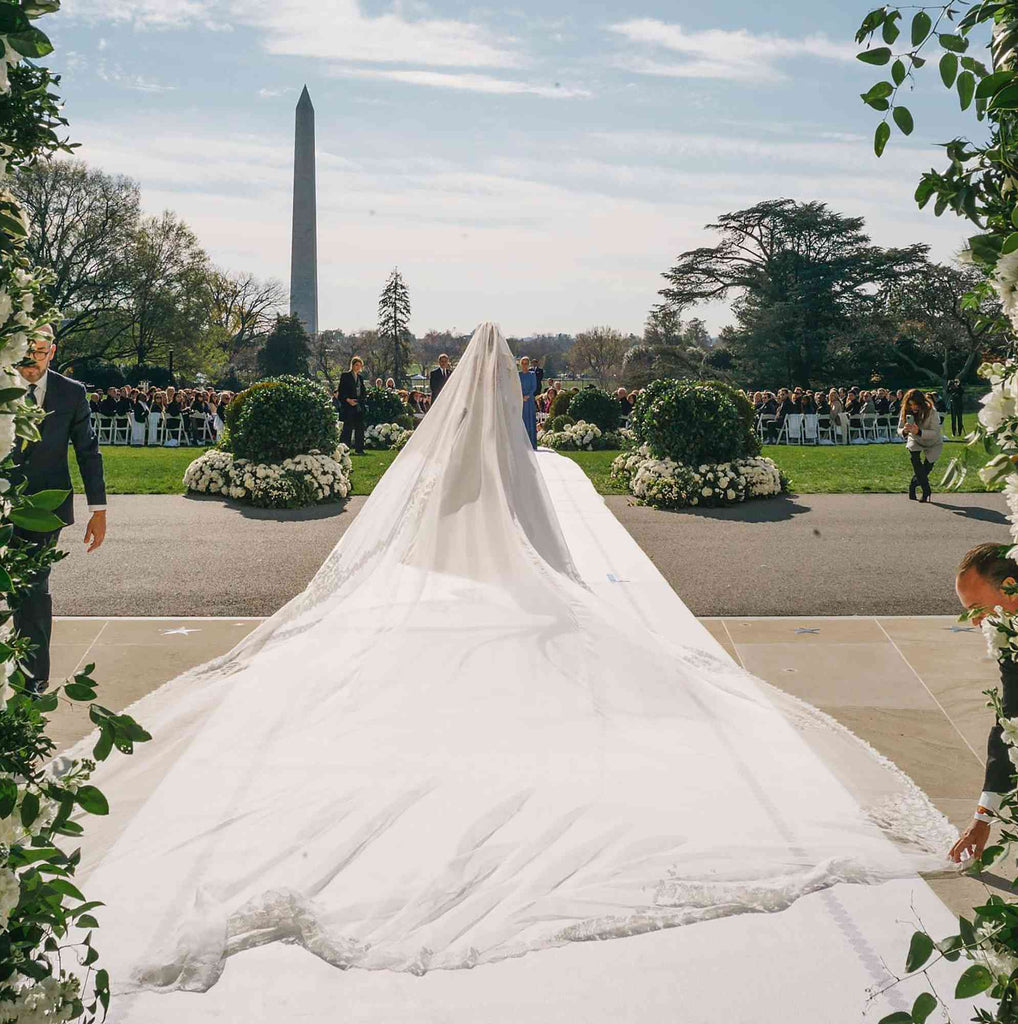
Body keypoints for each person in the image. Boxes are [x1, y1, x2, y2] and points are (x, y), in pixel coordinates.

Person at [66, 321, 950, 1010]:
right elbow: (532, 522)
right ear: (507, 380)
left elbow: (437, 511)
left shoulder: (454, 440)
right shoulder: (512, 432)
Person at [9, 325, 107, 694]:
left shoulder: (71, 393)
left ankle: (33, 680)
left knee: (33, 587)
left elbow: (88, 452)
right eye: (25, 350)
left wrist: (98, 509)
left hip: (45, 510)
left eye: (39, 351)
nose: (31, 359)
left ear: (52, 351)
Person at [950, 543, 1018, 863]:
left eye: (976, 607)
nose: (975, 622)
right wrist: (984, 815)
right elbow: (1010, 721)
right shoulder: (1009, 640)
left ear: (1009, 589)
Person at [899, 387, 943, 502]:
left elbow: (935, 432)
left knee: (926, 469)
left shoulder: (931, 411)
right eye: (910, 405)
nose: (913, 407)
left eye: (916, 405)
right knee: (914, 458)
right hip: (915, 439)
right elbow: (898, 429)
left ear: (921, 403)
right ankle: (926, 490)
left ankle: (913, 485)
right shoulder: (906, 411)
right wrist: (904, 431)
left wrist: (919, 431)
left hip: (932, 441)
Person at [338, 356, 367, 455]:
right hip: (348, 405)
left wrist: (360, 400)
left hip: (358, 405)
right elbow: (341, 391)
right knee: (348, 428)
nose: (358, 367)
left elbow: (363, 392)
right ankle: (344, 449)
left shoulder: (360, 378)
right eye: (356, 365)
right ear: (353, 365)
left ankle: (359, 449)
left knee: (360, 428)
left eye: (360, 365)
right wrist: (348, 400)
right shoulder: (345, 376)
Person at [519, 355, 538, 449]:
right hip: (520, 399)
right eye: (523, 363)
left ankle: (531, 442)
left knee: (530, 419)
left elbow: (534, 387)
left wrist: (528, 395)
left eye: (526, 363)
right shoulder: (518, 375)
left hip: (529, 400)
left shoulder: (532, 374)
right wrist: (521, 396)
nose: (524, 365)